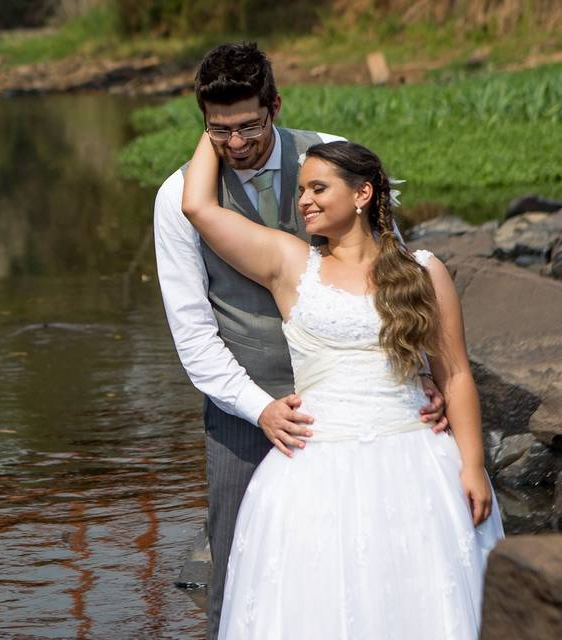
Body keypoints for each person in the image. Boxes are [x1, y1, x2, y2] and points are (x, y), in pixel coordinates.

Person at [152, 42, 446, 640]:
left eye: (250, 126)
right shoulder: (177, 199)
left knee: (362, 554)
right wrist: (257, 408)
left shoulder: (329, 158)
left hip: (355, 398)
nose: (237, 145)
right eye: (219, 131)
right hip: (247, 404)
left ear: (276, 105)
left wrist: (424, 374)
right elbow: (193, 333)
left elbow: (391, 273)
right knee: (237, 566)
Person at [181, 136, 504, 638]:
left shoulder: (422, 271)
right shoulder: (291, 265)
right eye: (301, 189)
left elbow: (456, 375)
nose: (303, 200)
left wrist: (472, 465)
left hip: (417, 464)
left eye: (318, 188)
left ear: (362, 194)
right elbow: (197, 206)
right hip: (316, 469)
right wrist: (215, 124)